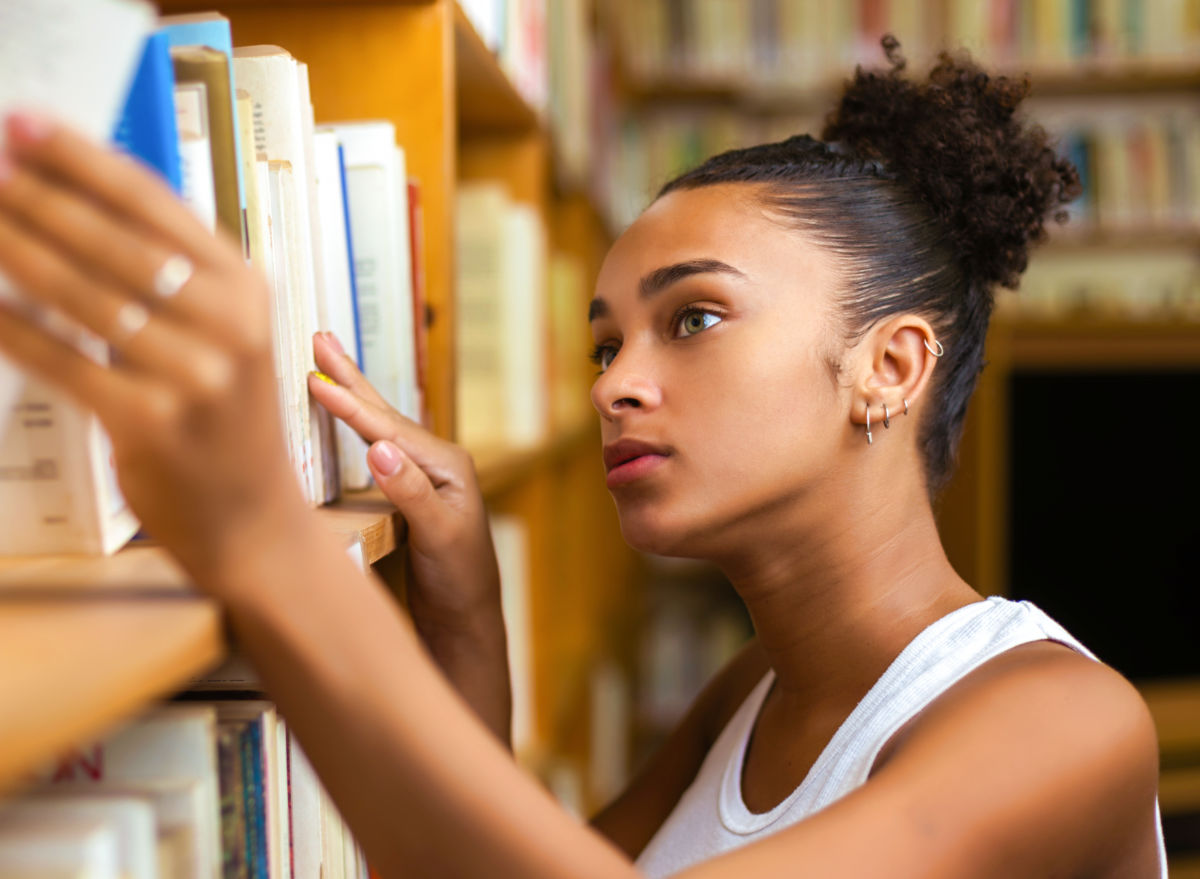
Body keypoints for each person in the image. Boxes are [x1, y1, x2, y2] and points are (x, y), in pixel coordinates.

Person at [0, 38, 1167, 878]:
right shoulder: (751, 694)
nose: (615, 382)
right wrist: (462, 603)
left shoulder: (1062, 722)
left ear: (892, 369)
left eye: (693, 319)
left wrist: (264, 541)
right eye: (604, 342)